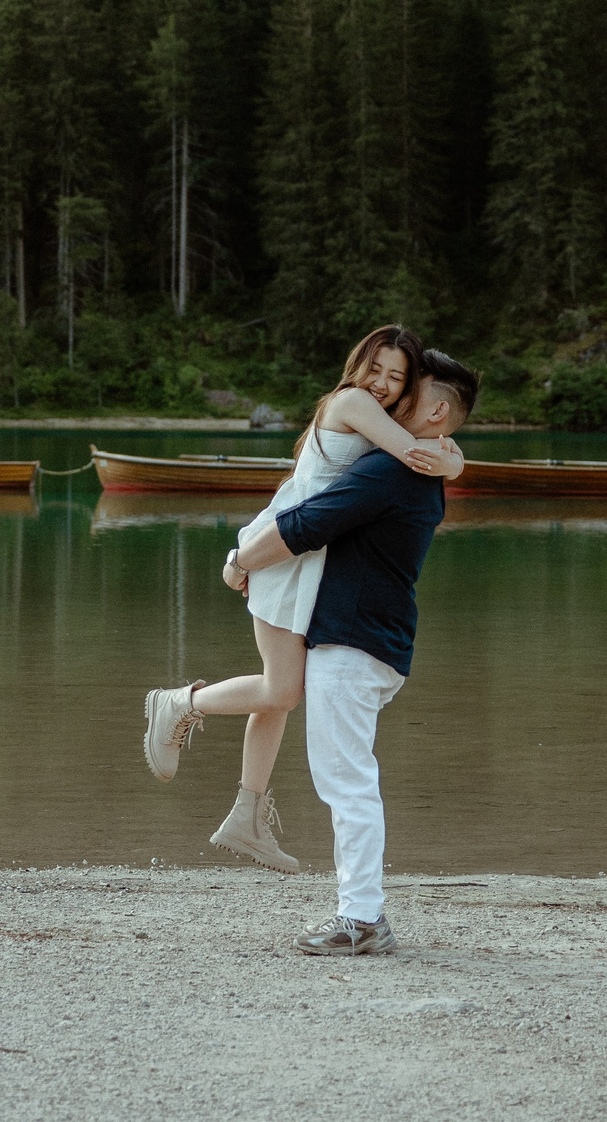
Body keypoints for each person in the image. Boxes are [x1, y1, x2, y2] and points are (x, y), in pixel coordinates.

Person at [140, 325, 463, 874]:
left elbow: (409, 446)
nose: (382, 385)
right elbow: (410, 452)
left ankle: (247, 815)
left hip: (308, 556)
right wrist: (451, 460)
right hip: (285, 549)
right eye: (376, 369)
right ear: (356, 365)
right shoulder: (353, 401)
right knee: (282, 688)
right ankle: (180, 704)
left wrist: (448, 454)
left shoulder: (374, 413)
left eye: (396, 378)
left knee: (281, 691)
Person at [188, 350, 480, 956]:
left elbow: (306, 523)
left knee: (346, 781)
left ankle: (363, 919)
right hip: (372, 638)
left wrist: (240, 562)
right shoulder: (416, 467)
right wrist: (451, 456)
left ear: (439, 410)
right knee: (346, 777)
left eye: (407, 397)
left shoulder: (392, 471)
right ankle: (361, 915)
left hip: (352, 642)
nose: (391, 408)